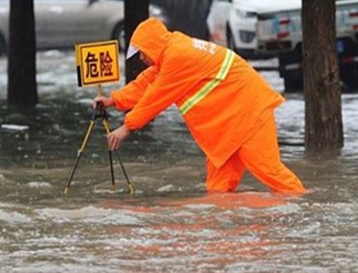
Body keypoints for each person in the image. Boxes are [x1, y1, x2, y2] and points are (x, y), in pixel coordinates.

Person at [93, 18, 306, 194]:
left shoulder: (177, 56)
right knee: (218, 189)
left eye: (142, 52)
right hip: (230, 122)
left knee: (269, 171)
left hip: (248, 112)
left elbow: (156, 96)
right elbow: (148, 82)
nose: (141, 58)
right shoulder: (172, 52)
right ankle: (221, 239)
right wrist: (113, 100)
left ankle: (306, 207)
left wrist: (126, 127)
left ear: (153, 45)